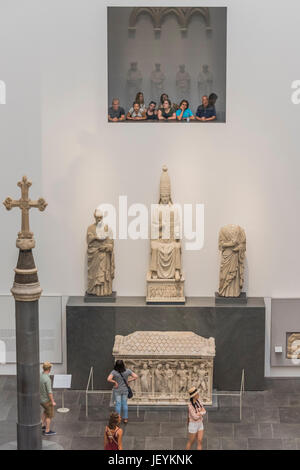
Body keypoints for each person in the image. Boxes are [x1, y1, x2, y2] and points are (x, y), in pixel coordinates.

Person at [186, 386, 206, 451]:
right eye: (197, 394)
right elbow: (195, 417)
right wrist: (200, 413)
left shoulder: (199, 401)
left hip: (200, 423)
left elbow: (204, 411)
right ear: (194, 396)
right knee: (191, 442)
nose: (198, 395)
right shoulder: (190, 405)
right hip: (193, 425)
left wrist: (199, 413)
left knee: (200, 441)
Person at [40, 362, 56, 436]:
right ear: (49, 369)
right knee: (49, 415)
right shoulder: (47, 379)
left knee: (45, 411)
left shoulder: (41, 375)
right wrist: (52, 401)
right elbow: (49, 392)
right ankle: (47, 430)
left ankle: (42, 425)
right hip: (46, 400)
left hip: (41, 399)